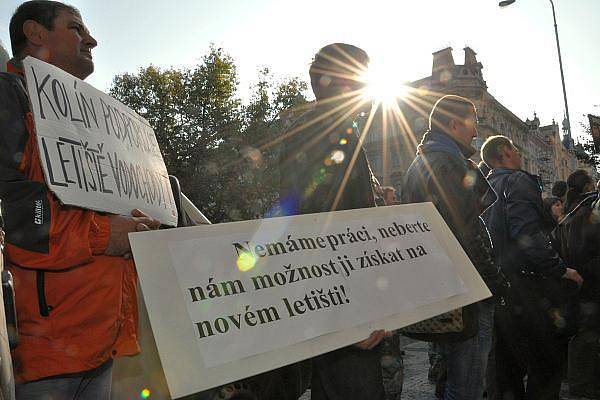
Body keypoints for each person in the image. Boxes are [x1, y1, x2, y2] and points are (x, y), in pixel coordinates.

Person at [1, 2, 161, 398]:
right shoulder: (9, 98)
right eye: (76, 28)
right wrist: (105, 235)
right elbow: (17, 216)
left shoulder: (89, 116)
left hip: (101, 344)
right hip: (46, 357)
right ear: (35, 33)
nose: (92, 39)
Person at [278, 43, 388, 400]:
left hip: (341, 302)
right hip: (343, 307)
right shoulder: (322, 132)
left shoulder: (330, 129)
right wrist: (346, 317)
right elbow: (317, 231)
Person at [401, 94, 507, 400]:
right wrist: (493, 280)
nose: (475, 131)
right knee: (468, 386)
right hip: (467, 289)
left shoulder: (421, 162)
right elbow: (464, 230)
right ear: (453, 124)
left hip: (442, 284)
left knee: (450, 379)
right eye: (472, 121)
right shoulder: (447, 162)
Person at [481, 135, 583, 400]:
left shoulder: (485, 185)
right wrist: (560, 269)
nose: (518, 154)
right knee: (546, 360)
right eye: (515, 149)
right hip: (528, 288)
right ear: (505, 152)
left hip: (499, 285)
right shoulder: (517, 180)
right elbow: (527, 235)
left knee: (506, 366)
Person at [554, 169, 600, 398]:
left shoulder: (570, 212)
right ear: (588, 187)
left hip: (577, 283)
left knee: (582, 334)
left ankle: (581, 382)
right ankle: (582, 385)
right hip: (588, 283)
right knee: (586, 335)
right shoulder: (585, 212)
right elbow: (583, 252)